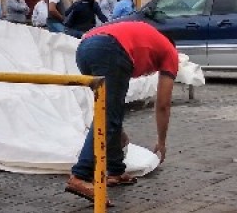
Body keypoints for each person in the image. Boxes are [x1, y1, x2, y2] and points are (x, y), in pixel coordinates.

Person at [65, 21, 178, 201]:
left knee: (110, 113)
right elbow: (163, 103)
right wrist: (161, 141)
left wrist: (118, 131)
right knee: (107, 117)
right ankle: (80, 175)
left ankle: (115, 170)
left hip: (84, 49)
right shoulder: (170, 52)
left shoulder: (146, 37)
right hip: (109, 49)